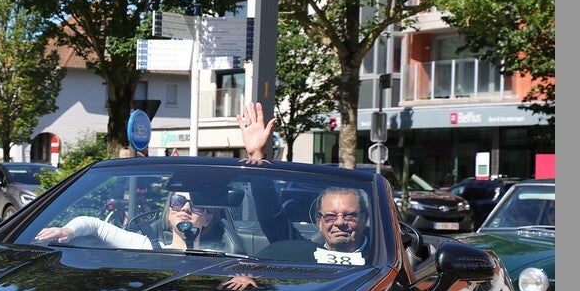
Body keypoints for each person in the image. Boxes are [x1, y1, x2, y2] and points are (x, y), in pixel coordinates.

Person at [236, 101, 367, 264]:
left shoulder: (384, 256)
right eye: (330, 216)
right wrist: (256, 156)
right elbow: (272, 219)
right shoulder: (305, 253)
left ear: (364, 218)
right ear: (319, 221)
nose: (340, 222)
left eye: (350, 215)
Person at [35, 191, 217, 251]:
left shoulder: (221, 257)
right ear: (169, 212)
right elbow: (95, 225)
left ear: (208, 219)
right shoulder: (147, 245)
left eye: (197, 205)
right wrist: (67, 231)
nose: (185, 208)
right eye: (178, 201)